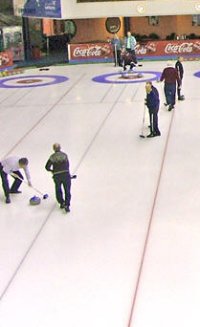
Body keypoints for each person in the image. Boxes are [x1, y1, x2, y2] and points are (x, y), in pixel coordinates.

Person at [45, 143, 71, 212]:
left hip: (57, 176)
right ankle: (67, 205)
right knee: (67, 190)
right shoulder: (65, 155)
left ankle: (61, 202)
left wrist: (52, 171)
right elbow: (68, 165)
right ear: (60, 148)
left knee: (58, 189)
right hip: (66, 174)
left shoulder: (52, 157)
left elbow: (47, 167)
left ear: (53, 149)